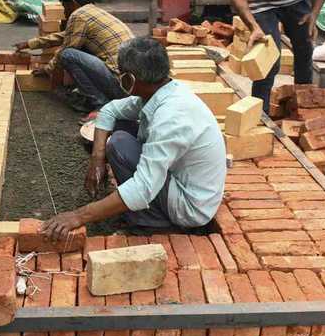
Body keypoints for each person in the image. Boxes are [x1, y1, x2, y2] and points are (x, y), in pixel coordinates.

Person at [41, 37, 227, 240]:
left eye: (121, 73)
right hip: (181, 182)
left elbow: (142, 188)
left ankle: (152, 223)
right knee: (120, 127)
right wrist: (97, 159)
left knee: (120, 143)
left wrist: (78, 216)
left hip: (190, 207)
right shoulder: (162, 92)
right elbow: (109, 111)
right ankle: (147, 213)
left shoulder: (172, 117)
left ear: (129, 79)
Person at [14, 0, 134, 119]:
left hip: (118, 84)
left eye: (65, 8)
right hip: (130, 85)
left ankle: (100, 103)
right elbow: (66, 35)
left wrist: (48, 69)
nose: (65, 14)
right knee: (76, 50)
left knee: (67, 54)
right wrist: (30, 44)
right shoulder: (94, 13)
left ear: (73, 3)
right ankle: (100, 98)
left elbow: (67, 47)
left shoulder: (79, 15)